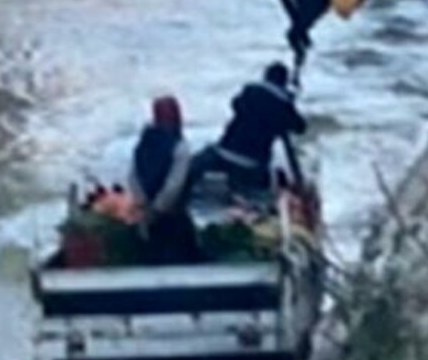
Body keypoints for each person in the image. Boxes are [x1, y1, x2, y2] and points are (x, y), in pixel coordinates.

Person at [190, 62, 306, 191]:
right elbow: (300, 128)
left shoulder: (249, 93)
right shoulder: (284, 105)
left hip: (224, 153)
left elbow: (235, 104)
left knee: (195, 163)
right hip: (253, 164)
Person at [129, 96, 200, 264]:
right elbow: (174, 184)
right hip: (173, 217)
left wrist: (143, 205)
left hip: (147, 215)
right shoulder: (180, 146)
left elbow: (133, 177)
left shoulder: (142, 144)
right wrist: (158, 208)